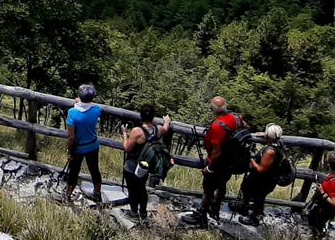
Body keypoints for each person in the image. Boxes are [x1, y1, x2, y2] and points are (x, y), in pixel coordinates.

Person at [185, 95, 247, 227]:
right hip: (231, 162)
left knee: (208, 189)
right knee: (222, 185)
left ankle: (202, 216)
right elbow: (245, 127)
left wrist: (209, 168)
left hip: (218, 164)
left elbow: (216, 151)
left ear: (212, 109)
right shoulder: (236, 119)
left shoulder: (217, 126)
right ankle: (216, 209)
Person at [122, 104, 171, 222]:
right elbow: (166, 128)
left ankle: (133, 213)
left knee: (132, 189)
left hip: (132, 164)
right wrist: (167, 121)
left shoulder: (137, 131)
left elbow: (127, 148)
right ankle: (143, 213)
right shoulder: (158, 129)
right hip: (146, 165)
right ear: (153, 116)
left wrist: (124, 134)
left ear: (141, 116)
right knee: (142, 188)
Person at [236, 124, 285, 225]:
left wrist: (251, 159)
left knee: (258, 198)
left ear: (269, 136)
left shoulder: (270, 152)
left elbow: (261, 169)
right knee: (246, 187)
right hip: (263, 179)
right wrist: (263, 135)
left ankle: (256, 218)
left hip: (264, 180)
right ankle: (243, 207)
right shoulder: (278, 143)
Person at [65, 84, 103, 203]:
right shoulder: (97, 110)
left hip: (78, 147)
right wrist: (82, 102)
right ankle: (97, 193)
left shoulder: (72, 112)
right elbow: (89, 108)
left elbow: (71, 137)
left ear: (79, 97)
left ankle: (67, 195)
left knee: (74, 171)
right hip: (93, 145)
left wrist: (69, 150)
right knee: (94, 170)